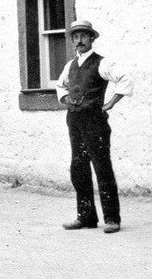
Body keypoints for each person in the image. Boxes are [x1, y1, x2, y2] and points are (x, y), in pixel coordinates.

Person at [56, 19, 133, 234]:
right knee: (78, 167)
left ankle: (111, 219)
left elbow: (125, 79)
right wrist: (65, 100)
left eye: (83, 36)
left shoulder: (102, 63)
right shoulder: (70, 65)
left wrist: (109, 103)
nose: (79, 40)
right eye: (75, 36)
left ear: (91, 39)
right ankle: (86, 216)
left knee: (101, 167)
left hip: (94, 121)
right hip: (74, 120)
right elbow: (60, 86)